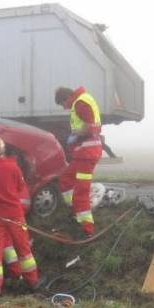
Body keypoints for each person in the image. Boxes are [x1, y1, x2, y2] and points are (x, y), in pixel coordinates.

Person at [0, 137, 40, 295]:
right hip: (15, 215)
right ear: (3, 150)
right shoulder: (13, 167)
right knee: (24, 250)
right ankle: (32, 282)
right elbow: (20, 187)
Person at [54, 86, 103, 237]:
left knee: (81, 191)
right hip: (83, 153)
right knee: (66, 179)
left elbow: (90, 127)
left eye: (63, 104)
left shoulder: (80, 103)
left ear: (66, 98)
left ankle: (87, 229)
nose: (64, 107)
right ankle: (75, 212)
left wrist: (76, 134)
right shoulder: (81, 101)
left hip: (86, 153)